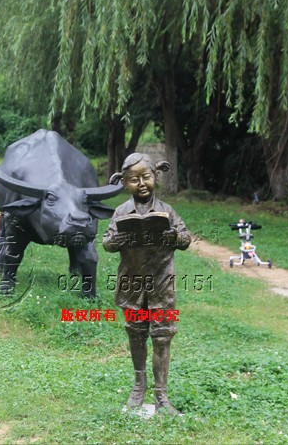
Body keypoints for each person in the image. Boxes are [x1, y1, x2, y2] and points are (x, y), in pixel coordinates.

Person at [102, 153, 191, 415]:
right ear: (124, 182)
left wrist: (174, 237)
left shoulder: (167, 211)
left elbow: (186, 238)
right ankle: (139, 386)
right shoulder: (121, 212)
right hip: (131, 284)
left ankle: (161, 395)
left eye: (146, 177)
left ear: (156, 177)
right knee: (136, 333)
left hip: (162, 284)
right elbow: (107, 242)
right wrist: (115, 241)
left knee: (162, 337)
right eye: (134, 179)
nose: (141, 184)